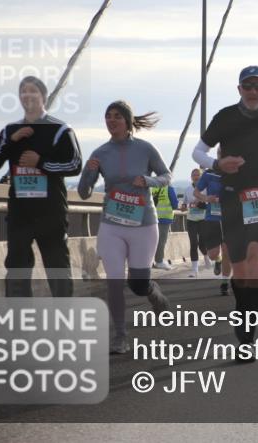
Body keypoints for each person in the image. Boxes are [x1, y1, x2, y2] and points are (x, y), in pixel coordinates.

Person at [192, 66, 258, 357]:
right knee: (238, 268)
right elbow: (198, 152)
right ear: (239, 89)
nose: (252, 91)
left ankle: (247, 337)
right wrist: (216, 165)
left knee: (255, 259)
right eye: (247, 86)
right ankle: (242, 312)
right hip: (231, 195)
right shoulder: (225, 117)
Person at [78, 100, 171, 354]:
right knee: (114, 282)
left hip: (143, 223)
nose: (111, 121)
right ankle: (120, 335)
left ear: (128, 121)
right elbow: (84, 192)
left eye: (117, 116)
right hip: (112, 224)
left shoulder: (145, 148)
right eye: (107, 116)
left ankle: (151, 291)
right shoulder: (100, 153)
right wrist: (88, 172)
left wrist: (149, 180)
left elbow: (166, 176)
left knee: (138, 283)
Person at [0, 76, 82, 298]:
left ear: (43, 97)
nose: (27, 95)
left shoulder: (60, 129)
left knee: (57, 269)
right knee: (17, 270)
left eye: (32, 91)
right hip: (20, 215)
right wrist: (11, 142)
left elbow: (75, 165)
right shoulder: (11, 130)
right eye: (23, 91)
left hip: (51, 214)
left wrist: (41, 162)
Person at [196, 164, 230, 294]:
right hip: (212, 218)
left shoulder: (234, 172)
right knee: (213, 254)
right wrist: (206, 198)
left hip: (229, 218)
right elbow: (196, 192)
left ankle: (225, 283)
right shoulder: (209, 173)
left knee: (227, 250)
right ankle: (218, 260)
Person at [183, 168, 206, 277]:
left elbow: (209, 204)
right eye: (194, 175)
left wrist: (199, 204)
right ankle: (194, 269)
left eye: (198, 175)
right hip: (191, 219)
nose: (196, 177)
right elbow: (184, 204)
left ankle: (206, 256)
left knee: (202, 244)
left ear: (201, 177)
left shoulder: (205, 189)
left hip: (203, 219)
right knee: (193, 243)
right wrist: (183, 207)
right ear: (191, 177)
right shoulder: (187, 189)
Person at [151, 182, 178, 270]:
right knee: (161, 241)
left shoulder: (153, 187)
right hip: (164, 218)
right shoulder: (169, 188)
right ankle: (159, 261)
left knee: (151, 241)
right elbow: (175, 204)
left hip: (151, 218)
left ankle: (149, 261)